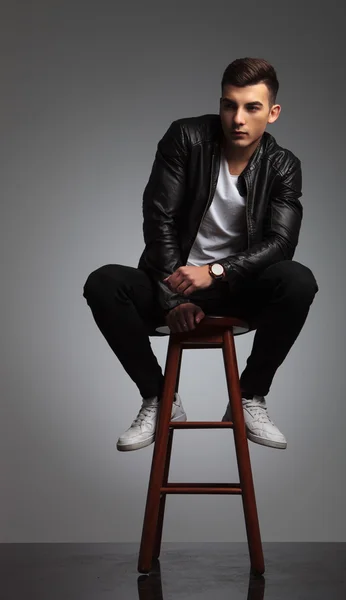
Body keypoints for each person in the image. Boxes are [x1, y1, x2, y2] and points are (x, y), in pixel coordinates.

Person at [83, 57, 319, 453]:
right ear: (220, 104)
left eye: (252, 107)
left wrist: (216, 271)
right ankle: (159, 399)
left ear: (273, 113)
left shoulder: (282, 167)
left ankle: (249, 397)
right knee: (104, 282)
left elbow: (281, 243)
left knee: (298, 280)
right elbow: (158, 218)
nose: (238, 119)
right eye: (230, 105)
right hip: (169, 282)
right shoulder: (186, 137)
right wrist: (174, 298)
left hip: (237, 289)